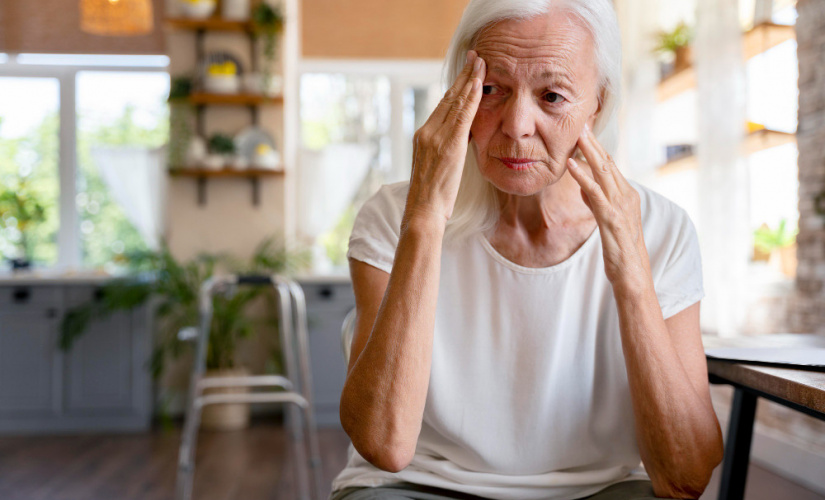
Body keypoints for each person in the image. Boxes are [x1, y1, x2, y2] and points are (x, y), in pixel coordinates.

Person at [331, 0, 724, 499]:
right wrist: (425, 221)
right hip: (417, 485)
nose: (516, 125)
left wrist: (631, 273)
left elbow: (686, 475)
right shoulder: (396, 215)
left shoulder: (661, 228)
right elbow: (382, 444)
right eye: (490, 90)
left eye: (552, 96)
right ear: (459, 91)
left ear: (598, 103)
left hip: (598, 490)